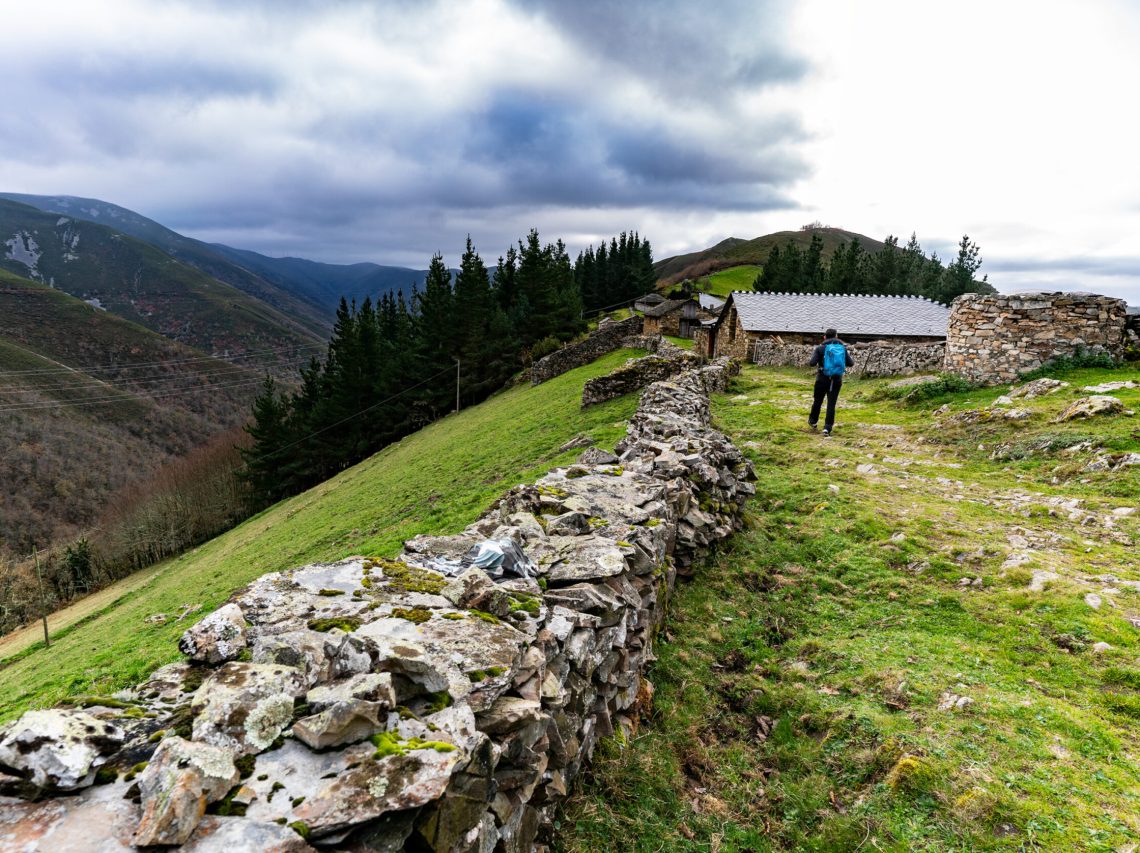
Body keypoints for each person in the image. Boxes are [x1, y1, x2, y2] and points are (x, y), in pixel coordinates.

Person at [808, 328, 853, 436]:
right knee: (831, 404)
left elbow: (812, 363)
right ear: (837, 336)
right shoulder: (842, 348)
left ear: (824, 337)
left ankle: (813, 421)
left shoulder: (820, 348)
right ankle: (827, 428)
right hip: (836, 380)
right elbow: (851, 363)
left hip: (822, 379)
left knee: (818, 401)